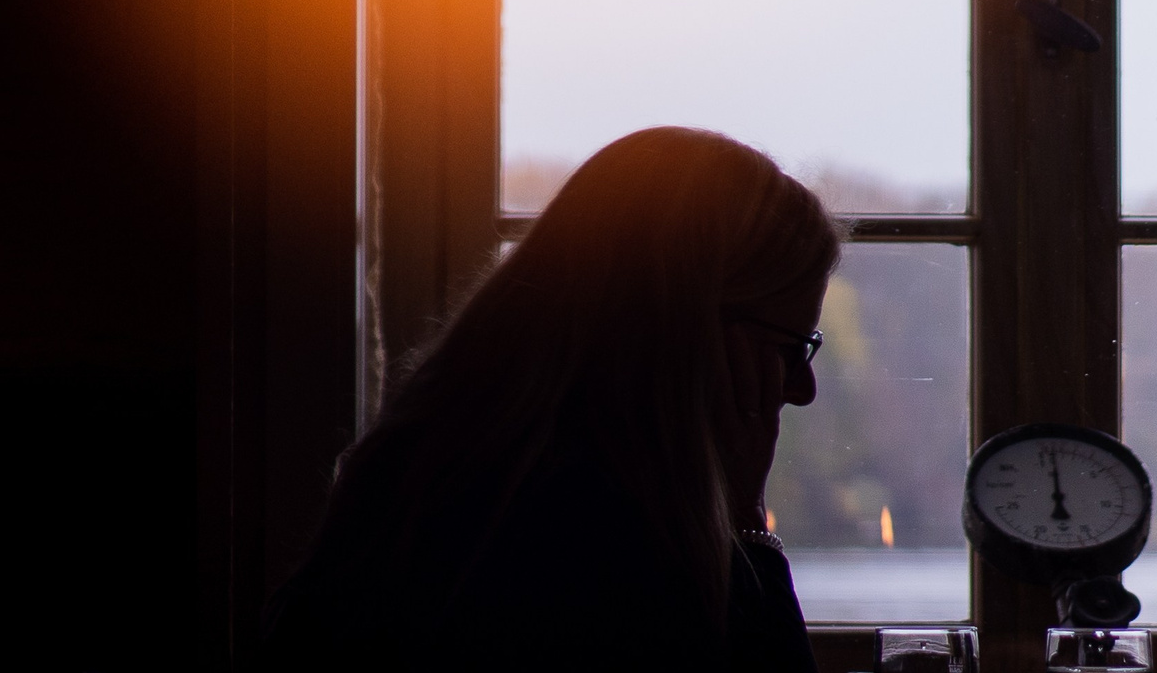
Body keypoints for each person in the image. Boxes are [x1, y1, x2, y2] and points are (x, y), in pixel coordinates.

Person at [259, 126, 838, 672]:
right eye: (791, 349)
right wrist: (745, 522)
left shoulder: (426, 482)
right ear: (691, 335)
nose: (802, 389)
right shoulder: (607, 549)